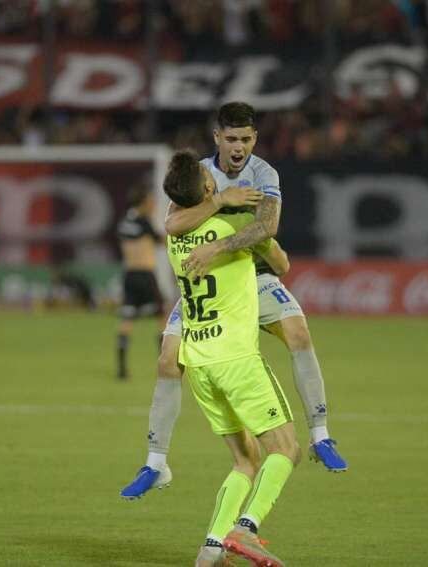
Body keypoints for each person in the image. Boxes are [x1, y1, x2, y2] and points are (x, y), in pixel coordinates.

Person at [121, 102, 347, 499]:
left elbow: (268, 226)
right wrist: (219, 202)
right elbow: (173, 223)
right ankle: (156, 463)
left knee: (298, 332)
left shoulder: (264, 174)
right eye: (231, 139)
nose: (239, 147)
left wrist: (219, 245)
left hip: (251, 275)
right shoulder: (201, 175)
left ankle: (321, 436)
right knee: (167, 360)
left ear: (254, 139)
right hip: (210, 284)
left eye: (245, 139)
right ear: (217, 139)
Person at [163, 149, 298, 567]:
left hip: (199, 361)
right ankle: (246, 528)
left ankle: (211, 547)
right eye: (210, 177)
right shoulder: (233, 222)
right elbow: (281, 264)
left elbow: (175, 219)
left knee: (245, 459)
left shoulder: (175, 235)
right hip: (236, 358)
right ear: (208, 188)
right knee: (286, 449)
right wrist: (251, 227)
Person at [116, 185, 162, 379]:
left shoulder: (124, 222)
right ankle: (164, 366)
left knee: (126, 320)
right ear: (143, 202)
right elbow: (161, 240)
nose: (153, 205)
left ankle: (121, 369)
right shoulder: (144, 221)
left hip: (129, 275)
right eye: (151, 201)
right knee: (163, 317)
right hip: (145, 275)